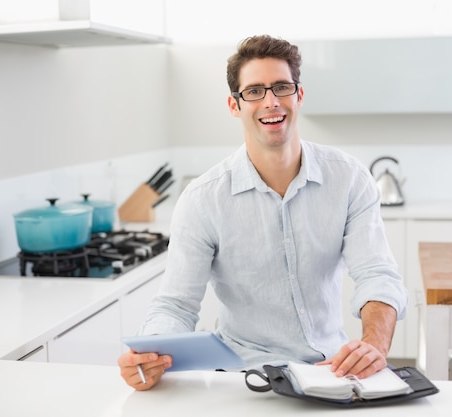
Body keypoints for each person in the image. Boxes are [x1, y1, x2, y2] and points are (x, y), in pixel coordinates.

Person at [118, 34, 408, 391]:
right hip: (244, 377)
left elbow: (377, 275)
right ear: (234, 105)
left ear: (299, 95)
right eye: (254, 91)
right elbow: (176, 305)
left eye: (282, 87)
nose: (271, 102)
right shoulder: (202, 199)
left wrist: (374, 345)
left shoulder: (348, 178)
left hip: (332, 370)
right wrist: (149, 355)